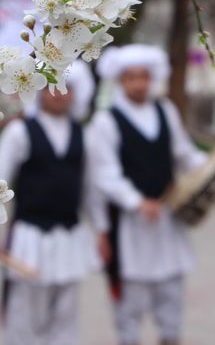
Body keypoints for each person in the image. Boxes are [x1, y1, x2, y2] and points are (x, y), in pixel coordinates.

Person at [86, 44, 206, 345]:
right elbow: (104, 174)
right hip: (129, 226)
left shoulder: (165, 111)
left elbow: (183, 153)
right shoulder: (106, 121)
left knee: (171, 301)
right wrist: (136, 202)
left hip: (167, 221)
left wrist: (209, 167)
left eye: (144, 77)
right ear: (120, 81)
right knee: (130, 307)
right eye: (131, 77)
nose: (139, 83)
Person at [0, 60, 104, 345]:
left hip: (70, 237)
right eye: (51, 87)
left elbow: (90, 190)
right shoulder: (20, 132)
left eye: (66, 88)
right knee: (24, 315)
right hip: (28, 237)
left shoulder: (83, 135)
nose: (58, 94)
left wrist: (102, 231)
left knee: (66, 314)